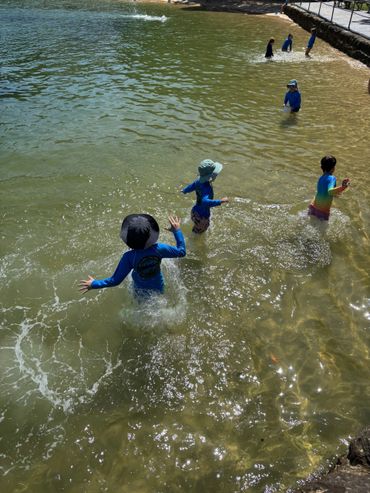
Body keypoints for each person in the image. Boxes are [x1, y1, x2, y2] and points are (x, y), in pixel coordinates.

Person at [79, 214, 186, 296]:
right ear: (152, 236)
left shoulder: (129, 257)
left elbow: (115, 280)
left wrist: (94, 284)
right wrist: (177, 231)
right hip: (158, 286)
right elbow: (181, 252)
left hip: (139, 289)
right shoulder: (159, 249)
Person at [182, 159, 229, 234]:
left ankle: (194, 228)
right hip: (202, 218)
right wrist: (221, 201)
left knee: (196, 227)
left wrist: (185, 190)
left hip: (194, 211)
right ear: (211, 175)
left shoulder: (198, 181)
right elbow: (205, 201)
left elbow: (192, 186)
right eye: (215, 173)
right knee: (198, 235)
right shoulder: (207, 188)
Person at [308, 155, 350, 221]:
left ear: (321, 168)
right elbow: (330, 191)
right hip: (323, 212)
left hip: (313, 207)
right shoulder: (332, 178)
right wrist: (343, 187)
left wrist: (338, 191)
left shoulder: (320, 178)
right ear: (333, 168)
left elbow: (329, 193)